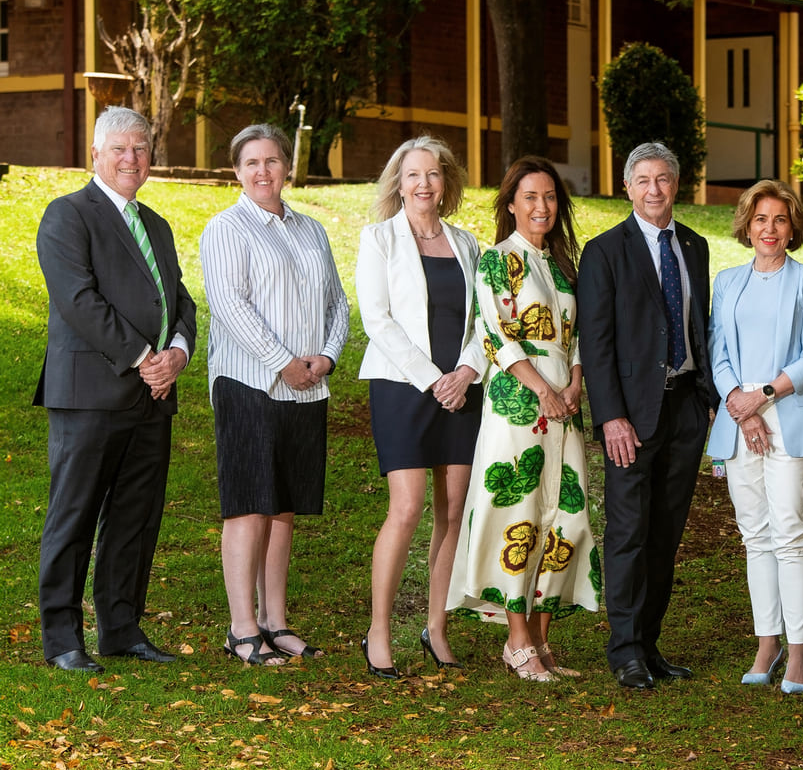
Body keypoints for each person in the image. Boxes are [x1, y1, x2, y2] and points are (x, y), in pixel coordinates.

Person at [34, 106, 196, 672]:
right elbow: (78, 301)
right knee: (73, 516)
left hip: (153, 396)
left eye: (142, 148)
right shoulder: (68, 215)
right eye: (121, 148)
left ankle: (121, 629)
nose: (132, 158)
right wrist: (143, 356)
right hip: (89, 394)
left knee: (136, 517)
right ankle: (61, 639)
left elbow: (180, 302)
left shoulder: (156, 225)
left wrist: (177, 351)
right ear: (96, 154)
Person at [200, 124, 350, 666]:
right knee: (248, 505)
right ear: (237, 171)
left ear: (286, 166)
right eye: (251, 163)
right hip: (249, 381)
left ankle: (274, 621)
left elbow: (339, 304)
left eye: (272, 161)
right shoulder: (226, 229)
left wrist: (326, 357)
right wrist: (282, 362)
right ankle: (241, 629)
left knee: (283, 507)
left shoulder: (311, 230)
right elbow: (229, 305)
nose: (263, 171)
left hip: (307, 387)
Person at [448, 156, 599, 682]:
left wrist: (575, 383)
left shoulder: (561, 267)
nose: (542, 206)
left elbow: (576, 335)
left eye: (551, 197)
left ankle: (541, 638)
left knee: (564, 517)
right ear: (510, 203)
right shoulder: (496, 260)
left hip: (566, 405)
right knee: (519, 515)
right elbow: (496, 336)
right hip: (519, 405)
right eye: (530, 197)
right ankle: (516, 642)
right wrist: (542, 391)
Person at [579, 142, 717, 690]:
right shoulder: (605, 251)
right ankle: (625, 649)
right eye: (643, 180)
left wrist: (705, 399)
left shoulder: (694, 245)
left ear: (676, 184)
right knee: (630, 531)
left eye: (663, 179)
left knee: (666, 533)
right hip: (631, 416)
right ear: (627, 187)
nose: (654, 189)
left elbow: (699, 324)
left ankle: (651, 643)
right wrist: (611, 416)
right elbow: (596, 340)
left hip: (685, 407)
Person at [356, 137, 485, 678]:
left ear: (446, 182)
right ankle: (379, 632)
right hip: (403, 388)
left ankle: (436, 627)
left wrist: (468, 372)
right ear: (398, 182)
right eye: (413, 175)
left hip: (462, 388)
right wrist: (436, 380)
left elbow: (485, 320)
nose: (423, 184)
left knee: (453, 512)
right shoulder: (379, 239)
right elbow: (377, 320)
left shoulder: (467, 244)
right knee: (406, 509)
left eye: (433, 174)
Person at [705, 180, 803, 695]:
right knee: (754, 536)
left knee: (791, 534)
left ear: (792, 226)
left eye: (780, 220)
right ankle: (767, 642)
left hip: (790, 419)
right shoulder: (728, 281)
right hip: (739, 422)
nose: (770, 229)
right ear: (747, 224)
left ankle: (799, 653)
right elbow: (718, 354)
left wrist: (761, 395)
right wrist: (741, 404)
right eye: (761, 219)